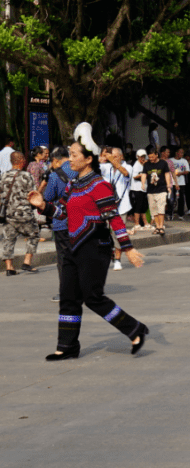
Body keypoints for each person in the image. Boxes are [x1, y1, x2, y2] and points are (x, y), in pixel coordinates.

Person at [28, 123, 149, 361]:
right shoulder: (73, 185)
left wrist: (128, 248)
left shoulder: (100, 185)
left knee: (93, 298)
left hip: (96, 248)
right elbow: (62, 212)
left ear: (88, 160)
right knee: (68, 297)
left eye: (73, 155)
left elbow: (114, 219)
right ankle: (67, 347)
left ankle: (134, 329)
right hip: (73, 247)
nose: (68, 160)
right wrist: (43, 205)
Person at [43, 148, 78, 300]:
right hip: (82, 222)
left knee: (64, 259)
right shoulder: (81, 170)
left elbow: (48, 196)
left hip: (62, 222)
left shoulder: (55, 175)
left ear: (56, 160)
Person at [1, 150, 40, 274]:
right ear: (22, 161)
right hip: (24, 213)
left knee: (8, 239)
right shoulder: (26, 176)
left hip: (8, 214)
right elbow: (32, 194)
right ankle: (27, 262)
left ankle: (9, 267)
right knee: (33, 234)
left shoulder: (3, 175)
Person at [99, 147, 132, 271]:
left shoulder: (128, 167)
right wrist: (101, 158)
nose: (112, 158)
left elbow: (125, 173)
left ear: (121, 157)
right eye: (111, 156)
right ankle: (107, 255)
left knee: (118, 234)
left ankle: (117, 260)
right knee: (104, 233)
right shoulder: (106, 167)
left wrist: (114, 162)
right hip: (105, 206)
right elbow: (93, 169)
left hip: (121, 207)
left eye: (115, 156)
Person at [142, 146, 173, 235]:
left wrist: (168, 186)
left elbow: (167, 174)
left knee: (161, 209)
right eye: (149, 157)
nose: (150, 158)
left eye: (152, 156)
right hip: (151, 191)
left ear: (156, 155)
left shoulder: (163, 163)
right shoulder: (147, 164)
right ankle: (157, 227)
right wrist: (143, 183)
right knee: (154, 210)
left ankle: (161, 227)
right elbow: (144, 174)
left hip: (162, 189)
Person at [129, 149, 150, 231]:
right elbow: (134, 176)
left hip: (144, 188)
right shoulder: (136, 165)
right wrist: (142, 174)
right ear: (137, 157)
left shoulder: (144, 165)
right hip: (137, 188)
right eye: (141, 157)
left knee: (143, 206)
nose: (143, 158)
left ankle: (145, 223)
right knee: (138, 206)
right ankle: (136, 224)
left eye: (144, 157)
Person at [172, 147, 190, 217]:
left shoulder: (184, 161)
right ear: (177, 153)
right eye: (181, 152)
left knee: (181, 199)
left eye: (183, 153)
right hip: (172, 182)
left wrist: (181, 173)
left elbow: (187, 171)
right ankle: (170, 213)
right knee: (172, 199)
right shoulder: (171, 160)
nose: (182, 154)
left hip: (181, 183)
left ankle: (181, 214)